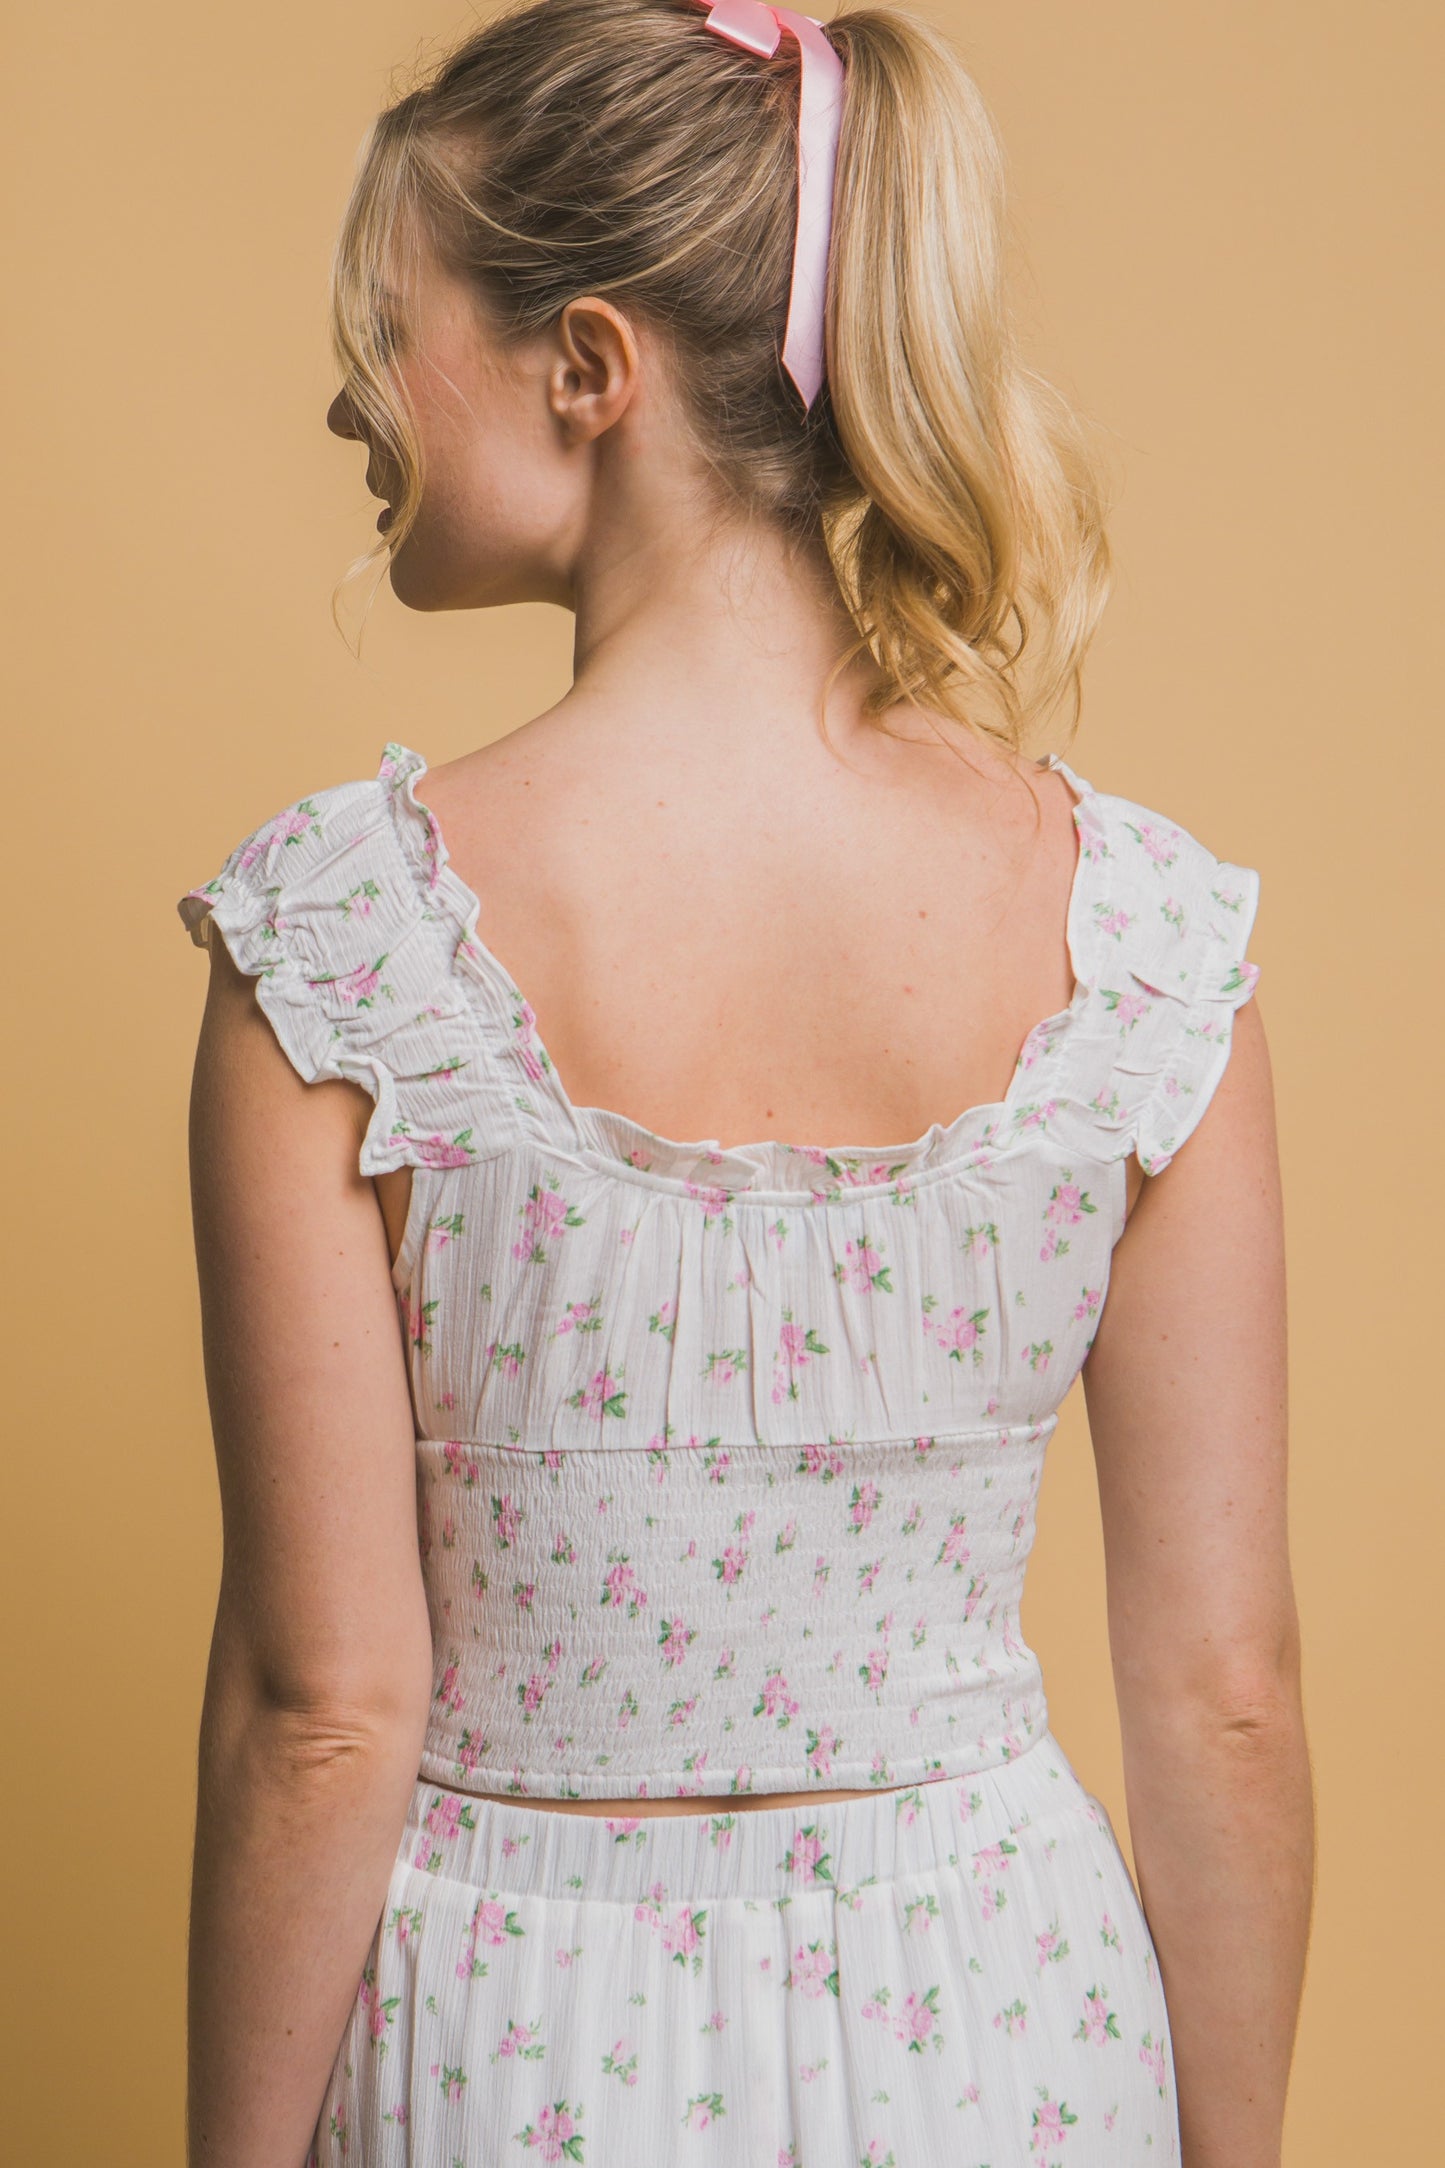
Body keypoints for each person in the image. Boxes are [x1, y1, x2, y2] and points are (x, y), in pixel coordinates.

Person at [175, 2, 1313, 2162]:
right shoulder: (1150, 946)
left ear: (587, 364)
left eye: (384, 328)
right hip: (1005, 2024)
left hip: (511, 2049)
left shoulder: (340, 954)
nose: (348, 392)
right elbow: (1223, 1696)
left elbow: (323, 1716)